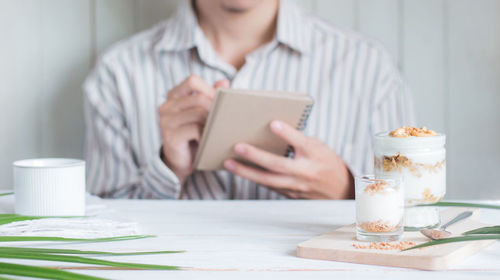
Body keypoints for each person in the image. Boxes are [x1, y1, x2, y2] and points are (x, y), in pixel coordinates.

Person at [83, 0, 415, 200]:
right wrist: (168, 168)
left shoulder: (369, 67)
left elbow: (417, 220)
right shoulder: (118, 73)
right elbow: (101, 234)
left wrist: (347, 191)